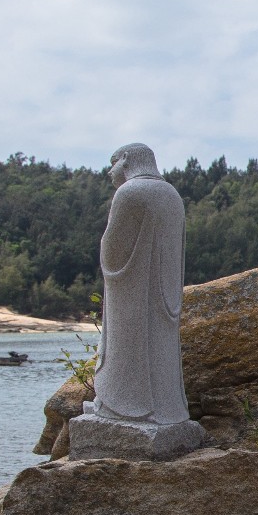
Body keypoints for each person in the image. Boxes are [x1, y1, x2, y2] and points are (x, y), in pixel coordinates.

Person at [89, 143, 190, 427]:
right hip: (164, 289)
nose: (110, 172)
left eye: (113, 163)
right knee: (160, 345)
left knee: (128, 344)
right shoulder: (172, 194)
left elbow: (112, 249)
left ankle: (122, 407)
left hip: (132, 287)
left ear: (126, 160)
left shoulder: (129, 192)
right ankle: (166, 407)